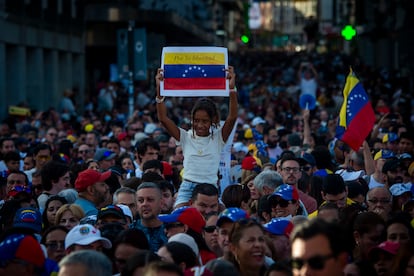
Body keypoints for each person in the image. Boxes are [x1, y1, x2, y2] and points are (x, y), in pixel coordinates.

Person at [156, 66, 238, 208]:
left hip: (210, 188)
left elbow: (232, 117)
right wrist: (159, 89)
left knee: (221, 217)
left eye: (205, 121)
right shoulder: (185, 137)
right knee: (177, 216)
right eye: (196, 120)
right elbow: (163, 118)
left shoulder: (219, 138)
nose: (200, 125)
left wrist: (232, 89)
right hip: (187, 188)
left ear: (212, 120)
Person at [130, 182, 167, 253]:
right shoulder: (130, 231)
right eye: (141, 200)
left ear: (161, 203)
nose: (145, 204)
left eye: (150, 200)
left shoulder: (171, 230)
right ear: (136, 205)